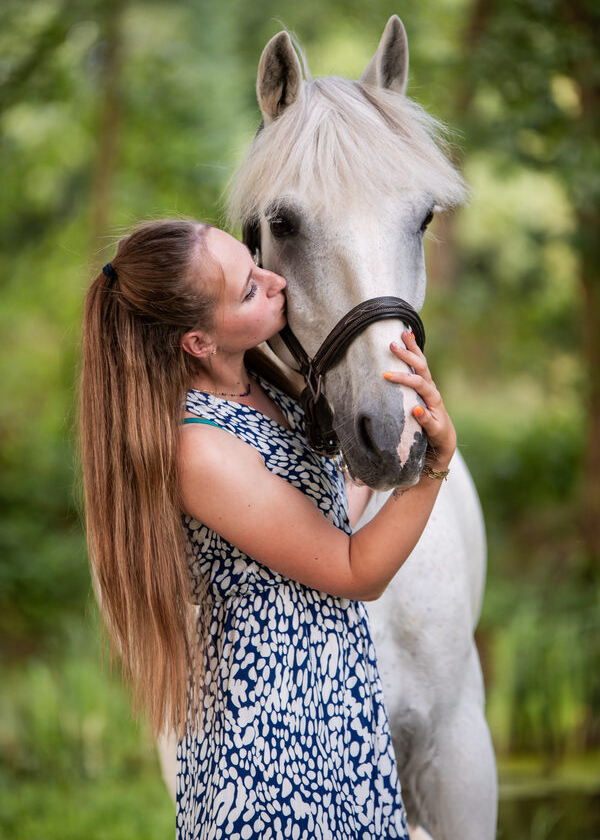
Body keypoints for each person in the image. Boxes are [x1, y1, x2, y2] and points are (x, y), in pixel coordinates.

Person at [79, 219, 456, 840]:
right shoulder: (199, 448)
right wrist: (436, 467)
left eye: (254, 263)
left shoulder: (267, 391)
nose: (275, 280)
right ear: (198, 341)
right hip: (271, 742)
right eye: (250, 289)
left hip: (335, 711)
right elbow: (352, 569)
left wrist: (406, 433)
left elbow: (329, 512)